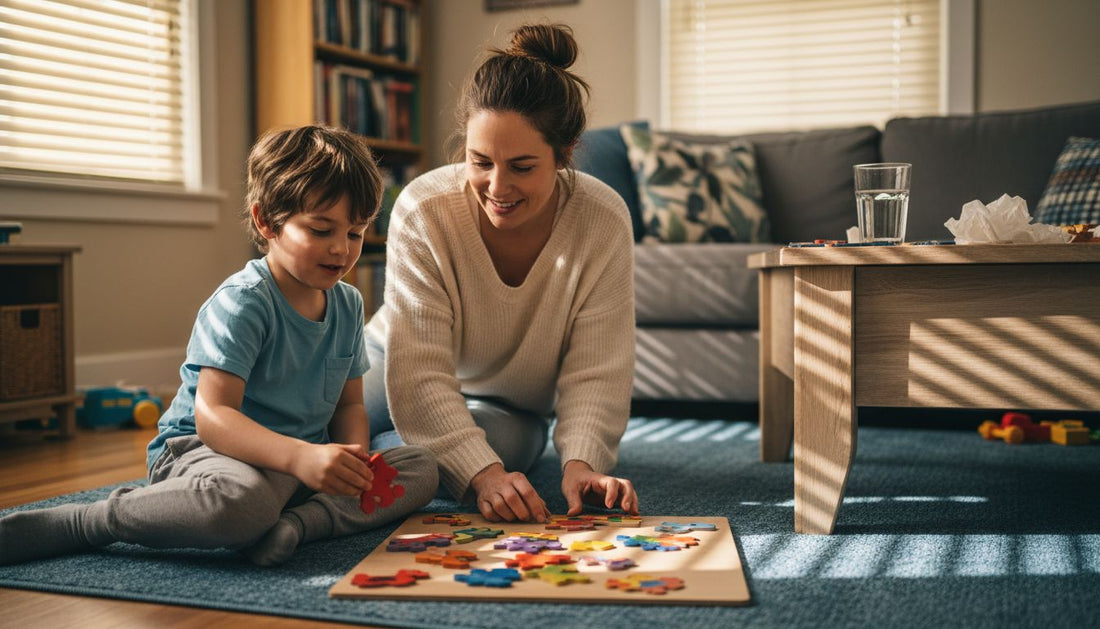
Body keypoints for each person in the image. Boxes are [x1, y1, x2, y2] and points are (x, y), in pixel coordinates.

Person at [0, 125, 438, 567]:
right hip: (211, 454)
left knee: (422, 466)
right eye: (321, 230)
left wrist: (352, 462)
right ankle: (88, 522)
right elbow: (214, 418)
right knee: (240, 505)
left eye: (356, 233)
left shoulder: (347, 303)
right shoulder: (244, 301)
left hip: (298, 463)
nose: (341, 250)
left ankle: (297, 526)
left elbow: (348, 408)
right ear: (267, 221)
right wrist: (300, 457)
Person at [364, 23, 639, 523]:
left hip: (510, 408)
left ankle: (367, 458)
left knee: (446, 457)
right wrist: (483, 477)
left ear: (565, 152)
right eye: (480, 161)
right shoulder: (424, 208)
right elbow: (419, 371)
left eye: (522, 166)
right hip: (392, 360)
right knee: (310, 421)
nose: (497, 186)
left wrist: (581, 463)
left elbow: (598, 367)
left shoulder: (603, 219)